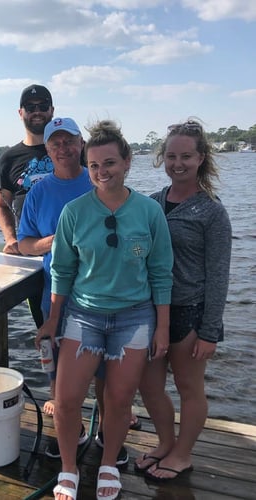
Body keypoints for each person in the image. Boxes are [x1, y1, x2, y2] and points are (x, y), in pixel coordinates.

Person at [36, 120, 173, 500]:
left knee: (118, 399)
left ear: (127, 162)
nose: (101, 172)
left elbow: (161, 273)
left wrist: (162, 327)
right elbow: (62, 270)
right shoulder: (74, 212)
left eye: (109, 163)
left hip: (135, 317)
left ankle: (109, 463)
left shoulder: (149, 212)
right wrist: (52, 319)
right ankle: (68, 467)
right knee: (65, 399)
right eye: (94, 165)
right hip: (84, 315)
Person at [17, 117, 138, 464]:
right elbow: (24, 244)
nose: (63, 148)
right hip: (57, 292)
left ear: (81, 144)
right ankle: (71, 431)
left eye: (69, 141)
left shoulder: (100, 178)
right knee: (60, 371)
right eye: (55, 143)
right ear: (47, 149)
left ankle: (105, 432)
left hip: (103, 292)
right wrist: (52, 241)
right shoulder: (38, 192)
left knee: (105, 369)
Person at [136, 119, 232, 482]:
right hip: (151, 311)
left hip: (191, 313)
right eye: (172, 156)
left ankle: (183, 454)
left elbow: (220, 274)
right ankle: (165, 442)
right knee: (148, 385)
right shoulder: (151, 203)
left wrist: (210, 332)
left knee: (190, 389)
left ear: (201, 158)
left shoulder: (212, 211)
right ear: (163, 158)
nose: (178, 163)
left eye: (186, 156)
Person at [0, 84, 54, 328]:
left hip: (73, 251)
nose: (37, 112)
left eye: (42, 107)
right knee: (46, 326)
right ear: (21, 113)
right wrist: (10, 239)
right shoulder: (9, 158)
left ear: (52, 111)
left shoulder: (68, 148)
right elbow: (2, 205)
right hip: (31, 255)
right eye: (30, 107)